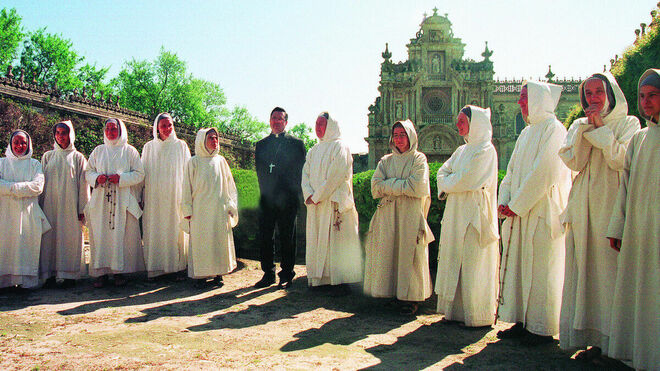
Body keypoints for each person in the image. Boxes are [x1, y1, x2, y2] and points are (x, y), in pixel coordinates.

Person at [558, 73, 640, 361]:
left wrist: (602, 130)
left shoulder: (630, 124)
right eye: (588, 94)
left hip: (611, 206)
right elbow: (574, 162)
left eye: (598, 93)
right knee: (587, 273)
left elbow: (620, 159)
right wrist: (584, 131)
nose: (592, 99)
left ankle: (616, 342)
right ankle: (593, 337)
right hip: (584, 209)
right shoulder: (580, 125)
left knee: (610, 275)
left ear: (611, 94)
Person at [496, 81, 572, 345]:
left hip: (541, 211)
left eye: (524, 97)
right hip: (520, 211)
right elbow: (511, 172)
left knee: (541, 270)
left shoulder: (555, 129)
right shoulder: (526, 133)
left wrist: (515, 204)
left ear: (539, 99)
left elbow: (545, 172)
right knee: (519, 267)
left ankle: (541, 327)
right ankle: (521, 321)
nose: (520, 103)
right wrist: (504, 200)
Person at [606, 68, 660, 370]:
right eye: (642, 96)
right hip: (640, 230)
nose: (646, 102)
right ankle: (644, 357)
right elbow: (625, 187)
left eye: (652, 95)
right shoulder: (639, 139)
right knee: (643, 295)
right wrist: (618, 226)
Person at [434, 106, 499, 327]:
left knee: (473, 262)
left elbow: (469, 179)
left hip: (474, 214)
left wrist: (451, 183)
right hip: (455, 213)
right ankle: (454, 312)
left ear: (476, 123)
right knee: (454, 260)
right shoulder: (461, 151)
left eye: (462, 121)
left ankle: (476, 315)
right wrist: (453, 182)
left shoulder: (486, 150)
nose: (458, 125)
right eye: (458, 120)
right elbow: (441, 173)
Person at [363, 119, 434, 315]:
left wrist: (390, 185)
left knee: (409, 254)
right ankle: (392, 293)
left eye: (403, 135)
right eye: (395, 135)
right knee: (390, 252)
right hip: (388, 214)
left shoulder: (419, 159)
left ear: (410, 136)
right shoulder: (385, 161)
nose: (399, 139)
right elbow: (375, 187)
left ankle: (411, 298)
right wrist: (402, 186)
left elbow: (418, 187)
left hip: (410, 214)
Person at [301, 112, 362, 295]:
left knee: (338, 242)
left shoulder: (340, 147)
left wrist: (317, 195)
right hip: (317, 205)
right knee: (318, 240)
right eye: (316, 124)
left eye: (322, 125)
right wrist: (309, 195)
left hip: (335, 202)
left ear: (331, 126)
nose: (318, 128)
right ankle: (321, 280)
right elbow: (305, 175)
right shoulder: (313, 150)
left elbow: (335, 176)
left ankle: (341, 281)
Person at [85, 118, 145, 288]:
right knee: (100, 234)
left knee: (122, 236)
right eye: (108, 129)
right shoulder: (98, 151)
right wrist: (97, 178)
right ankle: (101, 272)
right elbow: (88, 172)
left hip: (122, 199)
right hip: (101, 199)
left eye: (114, 129)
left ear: (121, 130)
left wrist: (121, 179)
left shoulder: (130, 151)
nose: (110, 132)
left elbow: (140, 174)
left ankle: (120, 272)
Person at [254, 107, 306, 289]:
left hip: (288, 199)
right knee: (265, 237)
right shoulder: (261, 145)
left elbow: (300, 173)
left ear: (286, 122)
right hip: (267, 198)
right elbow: (260, 172)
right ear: (269, 121)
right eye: (273, 118)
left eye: (280, 118)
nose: (276, 121)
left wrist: (291, 194)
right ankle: (268, 273)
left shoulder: (296, 144)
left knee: (287, 237)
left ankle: (287, 274)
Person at [181, 128, 238, 288]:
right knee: (202, 243)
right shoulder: (194, 162)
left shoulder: (221, 161)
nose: (214, 141)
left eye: (216, 138)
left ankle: (218, 273)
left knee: (218, 241)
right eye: (210, 138)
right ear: (202, 141)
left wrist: (231, 205)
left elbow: (230, 185)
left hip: (219, 210)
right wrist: (187, 211)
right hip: (200, 212)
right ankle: (200, 275)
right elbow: (186, 188)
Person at [39, 121, 91, 288]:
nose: (60, 136)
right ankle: (50, 275)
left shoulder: (78, 158)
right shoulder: (48, 156)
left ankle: (69, 275)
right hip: (49, 206)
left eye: (64, 133)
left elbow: (84, 185)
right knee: (49, 240)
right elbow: (42, 184)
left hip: (70, 207)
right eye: (58, 133)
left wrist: (83, 208)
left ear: (71, 135)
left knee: (69, 239)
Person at [141, 113, 191, 280]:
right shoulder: (148, 147)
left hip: (175, 196)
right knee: (155, 229)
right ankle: (156, 268)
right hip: (154, 197)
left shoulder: (181, 146)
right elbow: (142, 174)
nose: (167, 129)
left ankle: (177, 268)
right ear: (157, 127)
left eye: (169, 125)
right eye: (163, 125)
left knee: (175, 230)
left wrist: (188, 198)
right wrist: (140, 196)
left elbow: (188, 173)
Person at [0, 130, 50, 290]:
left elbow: (37, 187)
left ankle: (26, 282)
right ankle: (6, 281)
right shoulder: (2, 163)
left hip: (29, 213)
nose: (20, 146)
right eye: (16, 142)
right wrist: (22, 189)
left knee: (27, 245)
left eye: (23, 143)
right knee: (6, 245)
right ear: (10, 143)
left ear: (28, 144)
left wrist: (11, 187)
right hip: (6, 213)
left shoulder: (34, 164)